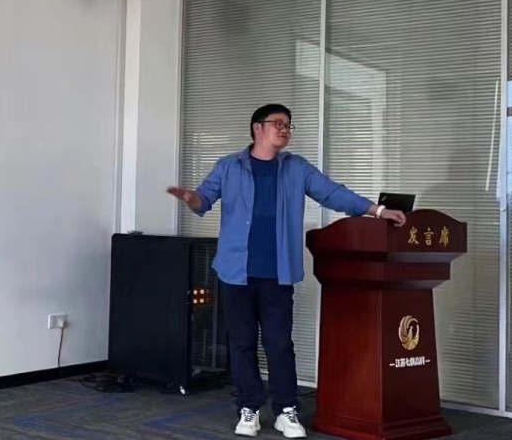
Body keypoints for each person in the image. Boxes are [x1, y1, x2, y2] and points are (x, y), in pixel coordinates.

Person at [167, 104, 407, 439]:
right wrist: (190, 197)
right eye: (278, 123)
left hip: (277, 273)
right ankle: (248, 407)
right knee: (241, 343)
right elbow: (203, 200)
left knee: (279, 343)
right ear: (257, 128)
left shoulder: (297, 168)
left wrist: (378, 210)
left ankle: (285, 410)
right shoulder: (229, 166)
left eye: (288, 125)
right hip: (235, 272)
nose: (285, 129)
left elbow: (332, 193)